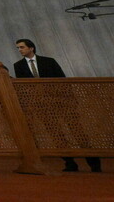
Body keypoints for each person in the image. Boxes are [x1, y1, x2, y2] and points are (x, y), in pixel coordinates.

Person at [13, 38, 101, 173]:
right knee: (56, 135)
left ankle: (94, 163)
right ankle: (70, 163)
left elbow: (61, 79)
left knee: (77, 132)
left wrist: (70, 100)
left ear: (31, 48)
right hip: (41, 105)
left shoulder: (48, 61)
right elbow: (24, 86)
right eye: (18, 48)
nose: (19, 50)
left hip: (60, 102)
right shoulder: (18, 65)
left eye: (22, 47)